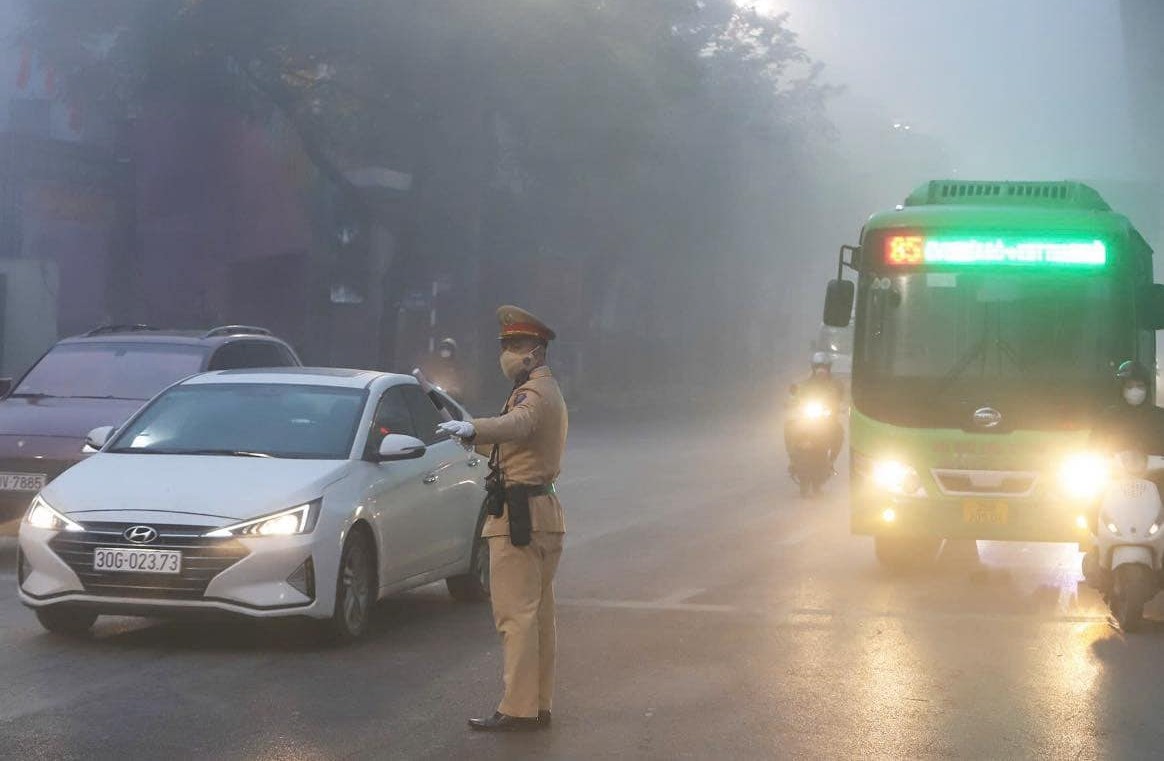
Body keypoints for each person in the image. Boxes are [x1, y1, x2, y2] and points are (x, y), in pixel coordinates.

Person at [437, 305, 568, 733]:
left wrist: (474, 428)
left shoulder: (535, 395)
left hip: (520, 517)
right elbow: (514, 446)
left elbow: (519, 424)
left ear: (536, 350)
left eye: (515, 345)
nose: (508, 353)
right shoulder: (539, 391)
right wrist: (468, 439)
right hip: (539, 512)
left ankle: (517, 709)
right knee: (538, 618)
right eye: (505, 345)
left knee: (515, 617)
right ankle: (537, 704)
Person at [1082, 360, 1164, 587]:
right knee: (1090, 504)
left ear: (1147, 389)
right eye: (1130, 386)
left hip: (1154, 482)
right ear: (1121, 388)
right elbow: (1093, 447)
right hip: (1113, 482)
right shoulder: (1108, 417)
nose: (1135, 391)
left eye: (1139, 386)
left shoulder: (1159, 418)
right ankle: (1097, 548)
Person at [786, 351, 845, 465]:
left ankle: (832, 459)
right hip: (807, 416)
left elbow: (842, 397)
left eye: (824, 367)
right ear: (813, 367)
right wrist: (791, 403)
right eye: (818, 367)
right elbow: (796, 395)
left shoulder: (836, 384)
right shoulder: (805, 382)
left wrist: (841, 406)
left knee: (839, 431)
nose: (821, 370)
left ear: (829, 368)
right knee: (789, 426)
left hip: (828, 417)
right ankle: (792, 458)